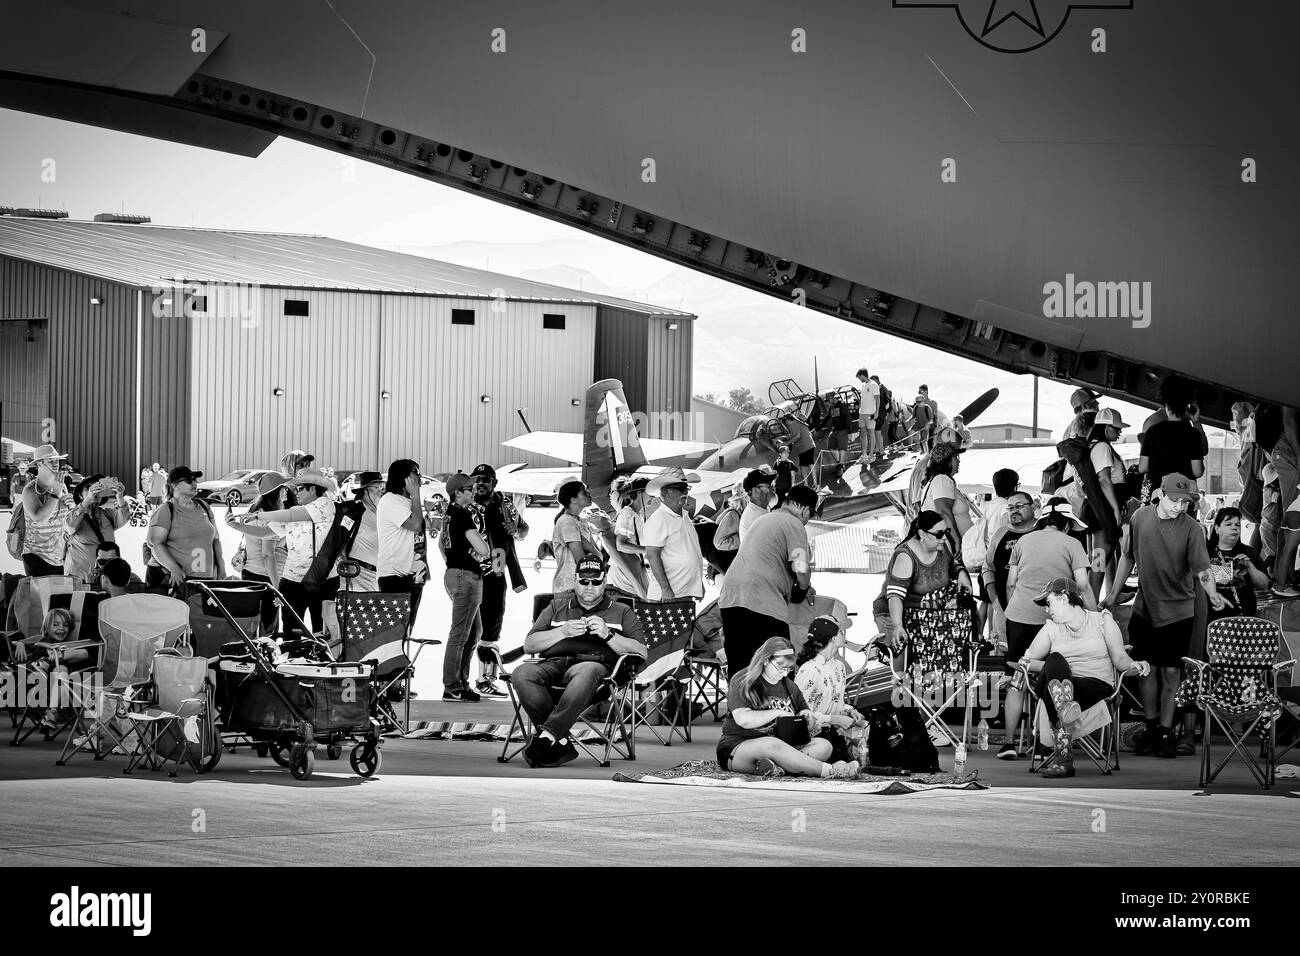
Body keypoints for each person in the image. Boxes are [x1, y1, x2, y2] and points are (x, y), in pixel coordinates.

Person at [1105, 473, 1224, 759]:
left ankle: (1167, 732)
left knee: (1172, 672)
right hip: (1145, 608)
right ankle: (1151, 727)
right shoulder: (1139, 518)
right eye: (1175, 499)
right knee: (1146, 670)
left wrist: (1212, 593)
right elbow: (1127, 557)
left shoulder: (1193, 529)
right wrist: (1112, 594)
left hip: (1179, 610)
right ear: (1160, 493)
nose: (1179, 506)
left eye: (1186, 502)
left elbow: (1203, 570)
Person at [514, 554, 648, 767]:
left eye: (596, 582)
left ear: (604, 582)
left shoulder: (622, 611)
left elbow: (641, 652)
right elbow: (530, 645)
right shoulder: (557, 606)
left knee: (587, 670)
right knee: (521, 673)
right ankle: (560, 741)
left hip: (597, 669)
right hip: (555, 663)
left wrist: (608, 635)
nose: (589, 587)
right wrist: (562, 632)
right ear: (575, 580)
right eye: (584, 581)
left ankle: (548, 738)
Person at [1018, 578, 1152, 778]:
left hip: (1096, 684)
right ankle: (1065, 706)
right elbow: (1025, 661)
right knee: (1055, 660)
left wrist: (1134, 664)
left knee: (1054, 682)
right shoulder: (1051, 628)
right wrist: (1051, 668)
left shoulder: (1102, 621)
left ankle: (1063, 758)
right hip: (1061, 688)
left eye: (1049, 603)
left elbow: (1120, 659)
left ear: (1064, 598)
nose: (1047, 610)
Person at [1000, 497, 1097, 757]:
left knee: (1017, 678)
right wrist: (1095, 616)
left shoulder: (1022, 541)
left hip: (1018, 617)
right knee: (1051, 679)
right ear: (1067, 525)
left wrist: (1016, 609)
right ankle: (1044, 745)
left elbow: (1010, 583)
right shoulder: (1073, 543)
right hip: (1053, 621)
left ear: (1043, 521)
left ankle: (1009, 744)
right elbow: (1083, 585)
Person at [716, 637, 860, 778]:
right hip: (740, 747)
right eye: (780, 667)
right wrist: (778, 712)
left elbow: (805, 715)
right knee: (771, 744)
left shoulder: (789, 685)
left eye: (788, 669)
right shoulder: (743, 680)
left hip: (782, 746)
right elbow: (743, 719)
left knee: (824, 746)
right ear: (766, 660)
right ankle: (829, 770)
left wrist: (807, 718)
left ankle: (773, 768)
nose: (784, 673)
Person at [718, 485, 818, 669]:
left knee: (740, 668)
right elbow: (800, 567)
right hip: (762, 602)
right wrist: (803, 587)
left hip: (730, 601)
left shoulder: (763, 520)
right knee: (782, 665)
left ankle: (737, 698)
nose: (807, 521)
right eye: (810, 516)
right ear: (804, 509)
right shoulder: (793, 523)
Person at [241, 468, 337, 637]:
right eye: (294, 488)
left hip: (320, 579)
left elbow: (291, 516)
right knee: (290, 634)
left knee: (320, 632)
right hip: (292, 581)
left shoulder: (324, 504)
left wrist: (257, 517)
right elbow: (267, 533)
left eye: (299, 488)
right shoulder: (291, 511)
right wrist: (236, 526)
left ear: (313, 488)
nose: (295, 492)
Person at [470, 463, 529, 697]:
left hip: (497, 572)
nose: (480, 483)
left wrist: (515, 530)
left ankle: (486, 679)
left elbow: (524, 530)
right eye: (477, 479)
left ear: (494, 483)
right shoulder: (466, 504)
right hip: (472, 573)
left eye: (485, 479)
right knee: (470, 629)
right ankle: (462, 682)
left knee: (492, 625)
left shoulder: (504, 503)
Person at [872, 509, 970, 651]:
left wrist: (961, 573)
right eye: (939, 534)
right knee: (901, 664)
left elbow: (952, 564)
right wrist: (898, 626)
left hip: (923, 616)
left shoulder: (941, 545)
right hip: (893, 615)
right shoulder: (905, 557)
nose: (944, 537)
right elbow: (895, 597)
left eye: (946, 532)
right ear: (922, 534)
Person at [439, 472, 494, 701]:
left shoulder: (448, 515)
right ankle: (452, 686)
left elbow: (441, 545)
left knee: (473, 632)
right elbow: (484, 550)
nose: (473, 491)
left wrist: (456, 559)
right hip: (465, 576)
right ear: (457, 493)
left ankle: (461, 682)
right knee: (461, 633)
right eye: (468, 489)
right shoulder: (462, 515)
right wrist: (476, 552)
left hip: (454, 573)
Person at [8, 607, 94, 734]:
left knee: (62, 668)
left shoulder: (68, 646)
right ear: (47, 628)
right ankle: (51, 712)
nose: (61, 628)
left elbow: (86, 654)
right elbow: (15, 642)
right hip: (31, 686)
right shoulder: (40, 640)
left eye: (65, 625)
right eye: (55, 624)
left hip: (57, 691)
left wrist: (62, 655)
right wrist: (20, 643)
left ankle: (52, 712)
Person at [1074, 408, 1131, 600]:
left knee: (1097, 560)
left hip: (1095, 510)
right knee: (1098, 562)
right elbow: (1104, 479)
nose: (1119, 432)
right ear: (1106, 428)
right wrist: (1115, 509)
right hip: (1103, 512)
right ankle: (1091, 607)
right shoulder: (1102, 448)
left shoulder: (1090, 447)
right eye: (1116, 428)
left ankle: (1092, 603)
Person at [794, 616, 868, 762]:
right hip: (815, 738)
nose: (843, 635)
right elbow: (802, 715)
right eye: (841, 632)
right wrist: (834, 719)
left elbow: (834, 700)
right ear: (833, 638)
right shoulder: (809, 670)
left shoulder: (838, 667)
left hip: (835, 733)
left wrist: (849, 710)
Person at [225, 472, 292, 632]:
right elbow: (267, 554)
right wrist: (277, 588)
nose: (287, 491)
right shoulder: (271, 516)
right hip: (266, 578)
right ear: (278, 491)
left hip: (249, 573)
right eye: (284, 488)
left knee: (252, 627)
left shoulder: (255, 510)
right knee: (267, 632)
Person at [145, 465, 225, 591]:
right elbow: (154, 543)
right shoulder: (165, 510)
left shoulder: (204, 506)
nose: (194, 484)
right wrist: (174, 568)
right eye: (189, 481)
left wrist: (221, 566)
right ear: (174, 485)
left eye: (195, 480)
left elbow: (215, 539)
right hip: (175, 581)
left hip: (204, 580)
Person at [377, 459, 428, 629]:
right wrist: (416, 494)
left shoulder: (410, 502)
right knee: (393, 634)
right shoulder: (390, 500)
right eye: (415, 472)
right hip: (394, 576)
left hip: (414, 576)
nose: (419, 477)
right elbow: (415, 525)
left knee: (406, 632)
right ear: (403, 476)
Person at [1139, 376, 1207, 500]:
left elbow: (1142, 467)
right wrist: (1196, 422)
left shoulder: (1152, 431)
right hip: (1184, 496)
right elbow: (1198, 472)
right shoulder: (1193, 433)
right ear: (1187, 404)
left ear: (1165, 403)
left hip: (1159, 496)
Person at [642, 468, 705, 603]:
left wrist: (699, 586)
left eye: (686, 487)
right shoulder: (658, 519)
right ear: (665, 492)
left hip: (683, 593)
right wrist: (665, 589)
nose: (686, 491)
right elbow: (652, 555)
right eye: (680, 488)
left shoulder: (685, 516)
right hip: (667, 597)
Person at [19, 444, 75, 577]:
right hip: (37, 557)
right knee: (42, 597)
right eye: (51, 460)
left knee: (59, 597)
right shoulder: (30, 490)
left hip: (60, 558)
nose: (56, 463)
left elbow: (67, 521)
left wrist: (72, 506)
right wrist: (55, 493)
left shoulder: (61, 486)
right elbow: (40, 519)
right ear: (39, 464)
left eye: (57, 460)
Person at [62, 473, 128, 585]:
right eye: (88, 488)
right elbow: (70, 526)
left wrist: (120, 497)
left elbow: (124, 517)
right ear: (80, 494)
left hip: (106, 579)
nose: (94, 490)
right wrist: (88, 500)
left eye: (97, 487)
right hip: (79, 580)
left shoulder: (106, 514)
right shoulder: (72, 515)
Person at [1205, 507, 1270, 619]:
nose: (1234, 528)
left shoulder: (1249, 552)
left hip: (1244, 617)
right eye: (1228, 524)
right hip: (1212, 617)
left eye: (1237, 525)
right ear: (1217, 528)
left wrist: (1250, 566)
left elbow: (1264, 585)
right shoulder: (1205, 553)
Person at [551, 480, 602, 594]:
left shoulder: (582, 522)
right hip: (569, 588)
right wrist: (593, 551)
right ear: (573, 500)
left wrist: (591, 549)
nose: (589, 493)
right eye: (584, 492)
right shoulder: (566, 522)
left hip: (584, 588)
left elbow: (598, 556)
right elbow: (581, 561)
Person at [918, 441, 974, 542]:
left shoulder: (938, 480)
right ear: (947, 461)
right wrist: (957, 540)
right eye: (956, 457)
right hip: (951, 546)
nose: (959, 461)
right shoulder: (941, 479)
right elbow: (944, 512)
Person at [606, 475, 650, 599]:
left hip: (631, 568)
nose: (653, 496)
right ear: (640, 493)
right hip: (623, 571)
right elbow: (621, 545)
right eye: (649, 492)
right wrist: (647, 550)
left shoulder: (636, 515)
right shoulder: (627, 514)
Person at [1269, 489, 1300, 598]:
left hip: (1290, 511)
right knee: (1288, 551)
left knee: (1287, 551)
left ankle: (1281, 583)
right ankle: (1281, 587)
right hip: (1297, 515)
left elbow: (1295, 493)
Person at [738, 465, 777, 542]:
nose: (772, 489)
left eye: (771, 485)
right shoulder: (758, 517)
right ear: (754, 491)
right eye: (768, 486)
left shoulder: (759, 509)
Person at [856, 367, 881, 460]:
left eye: (859, 377)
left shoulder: (874, 385)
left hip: (870, 413)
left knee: (871, 433)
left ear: (863, 375)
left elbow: (877, 399)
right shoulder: (863, 385)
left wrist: (877, 412)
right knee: (863, 434)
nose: (859, 379)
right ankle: (864, 455)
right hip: (861, 413)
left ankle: (871, 455)